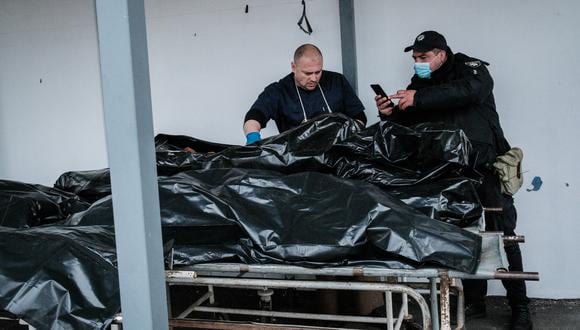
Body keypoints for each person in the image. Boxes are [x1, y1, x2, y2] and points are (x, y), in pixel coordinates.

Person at [376, 31, 532, 330]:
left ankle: (520, 308)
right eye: (415, 59)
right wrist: (390, 113)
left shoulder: (471, 70)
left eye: (423, 58)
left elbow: (468, 91)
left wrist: (419, 98)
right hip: (447, 173)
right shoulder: (420, 85)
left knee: (505, 236)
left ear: (441, 54)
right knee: (458, 235)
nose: (418, 64)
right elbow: (411, 124)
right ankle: (473, 301)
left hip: (485, 168)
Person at [243, 43, 366, 144]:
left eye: (318, 72)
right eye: (307, 73)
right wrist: (253, 141)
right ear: (293, 67)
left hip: (339, 156)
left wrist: (344, 136)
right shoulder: (278, 91)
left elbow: (360, 117)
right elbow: (254, 116)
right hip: (299, 163)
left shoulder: (337, 81)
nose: (313, 78)